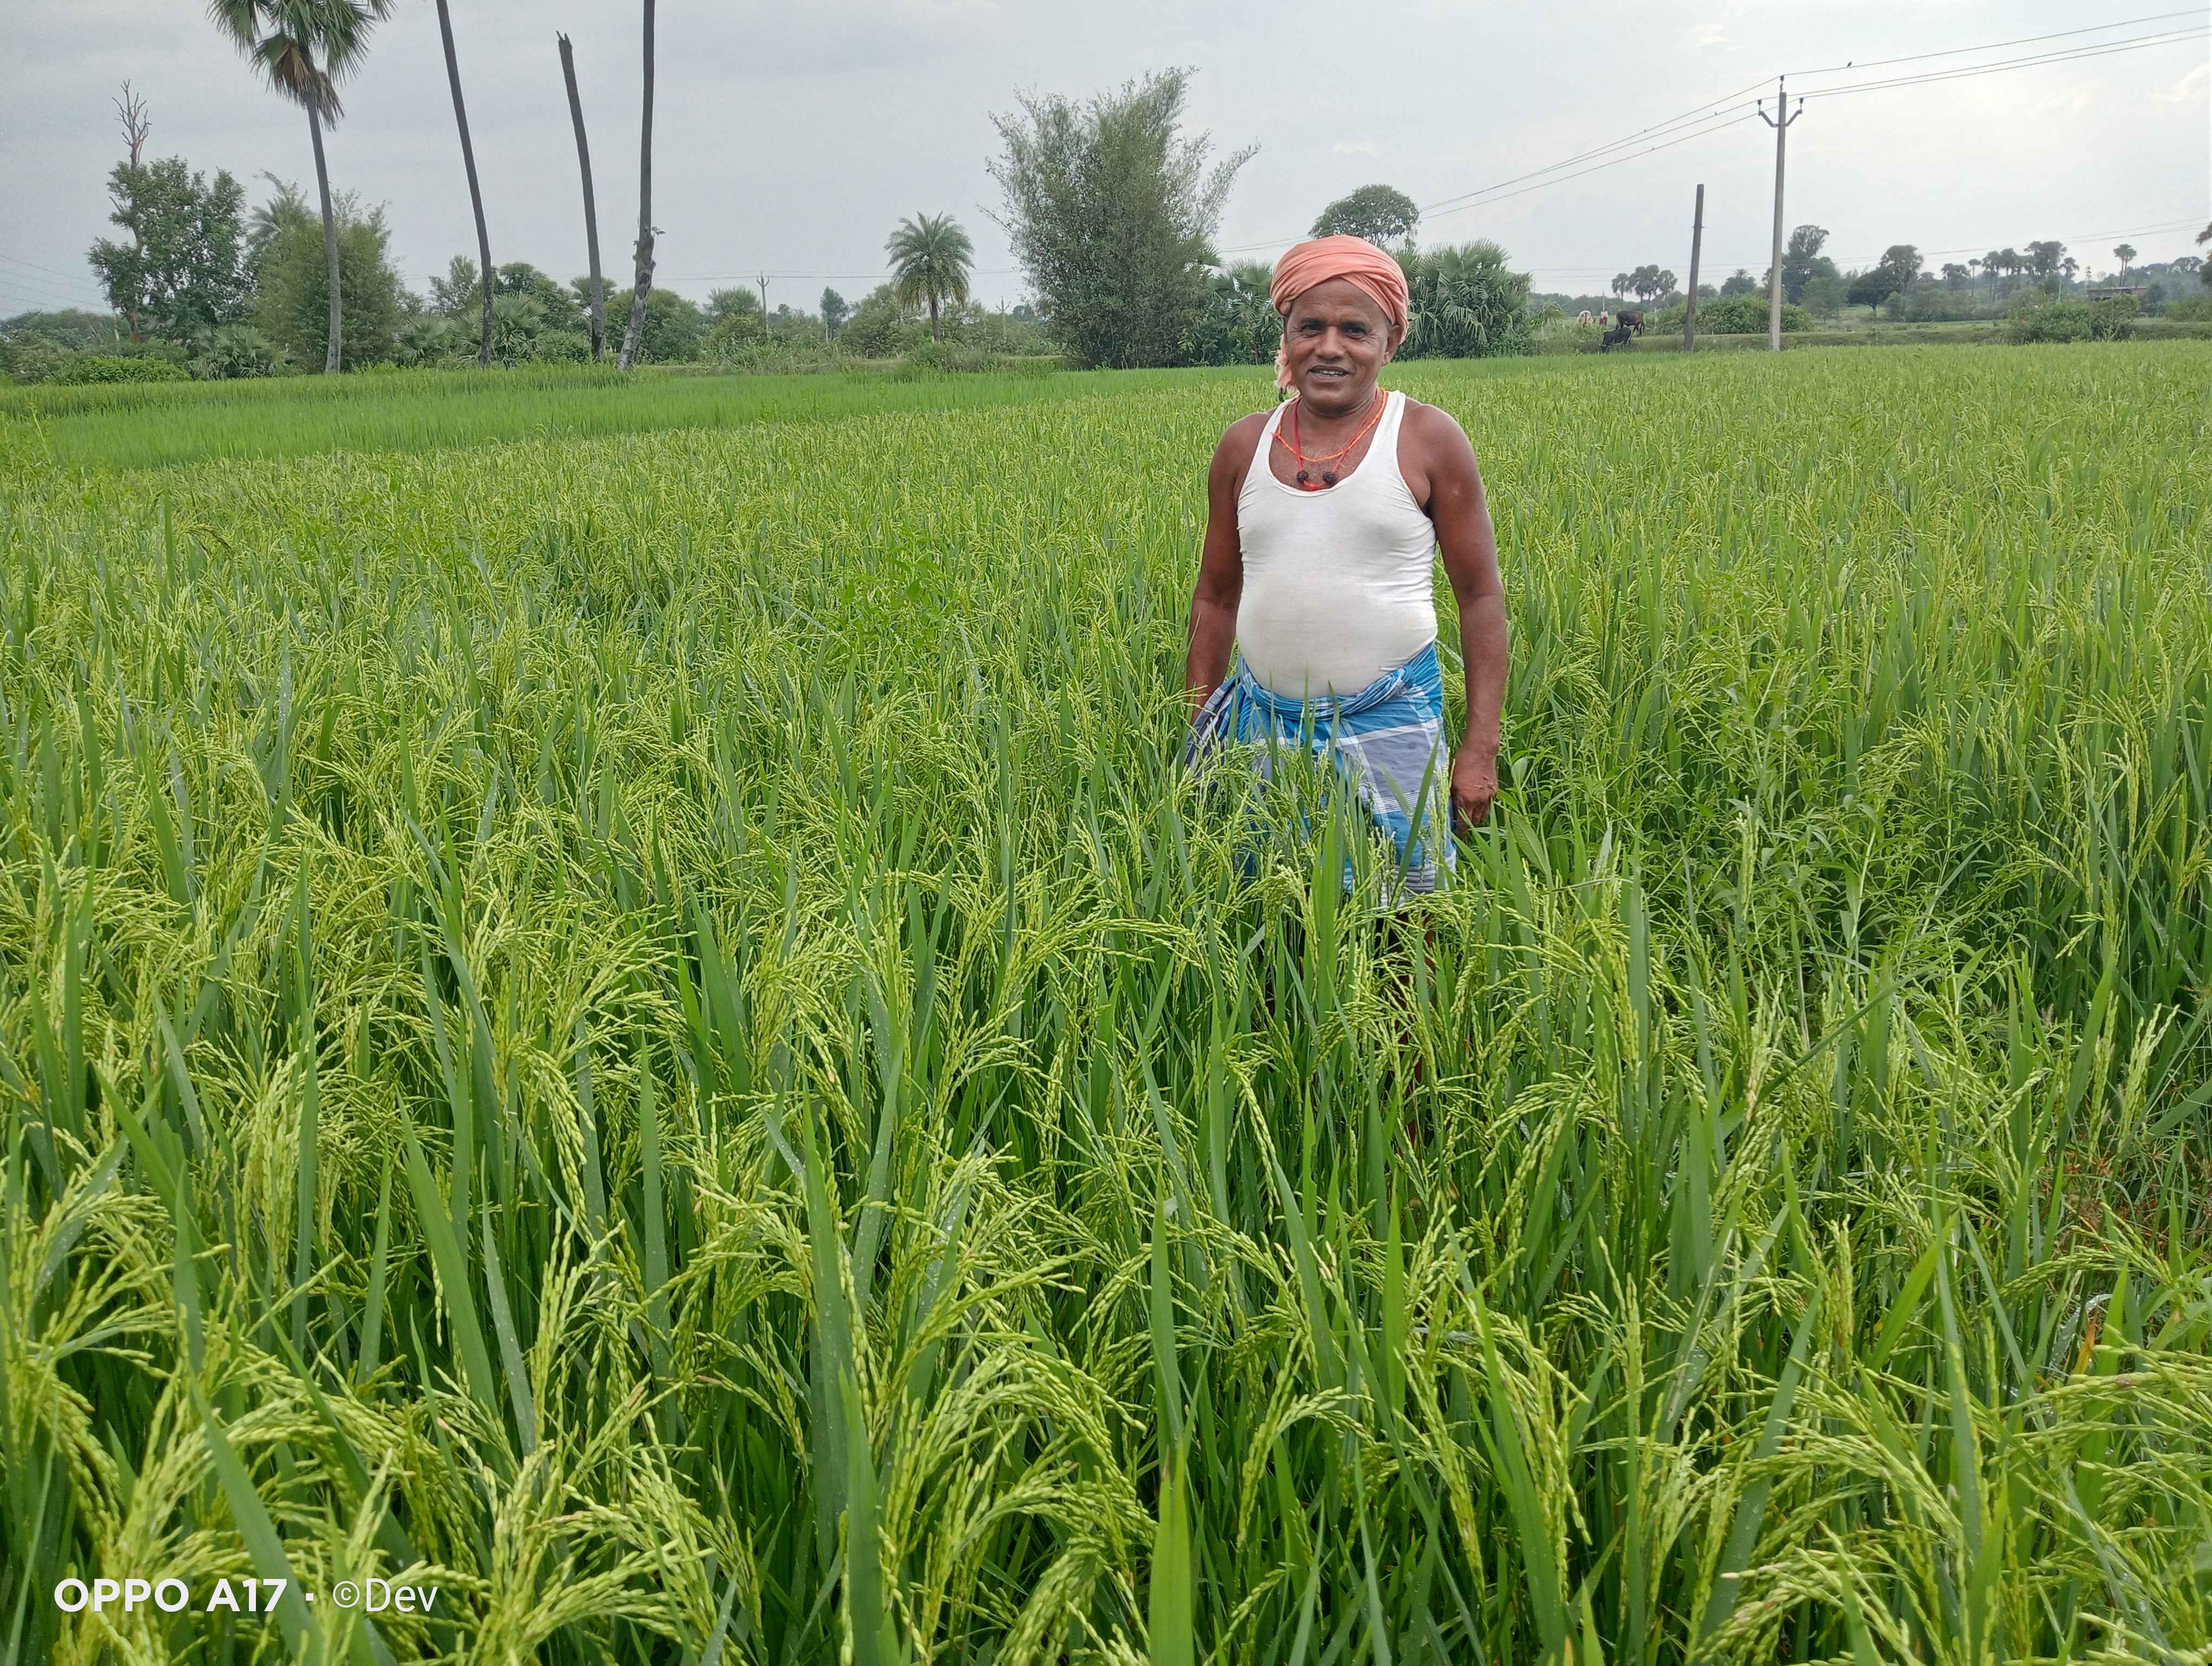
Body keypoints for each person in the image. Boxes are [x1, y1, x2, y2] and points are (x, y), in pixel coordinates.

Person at [1182, 234, 1507, 899]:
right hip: (1261, 721)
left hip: (1394, 716)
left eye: (1355, 330)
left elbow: (1480, 598)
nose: (1330, 347)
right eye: (1311, 327)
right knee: (1275, 900)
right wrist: (1198, 728)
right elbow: (1214, 599)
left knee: (1410, 907)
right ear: (1285, 337)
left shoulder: (1427, 439)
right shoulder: (1245, 445)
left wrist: (1480, 749)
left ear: (1391, 342)